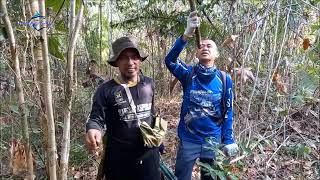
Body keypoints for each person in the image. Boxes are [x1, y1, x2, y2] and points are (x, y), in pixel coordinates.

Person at [165, 11, 239, 180]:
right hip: (188, 139)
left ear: (217, 54)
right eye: (201, 46)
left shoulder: (225, 79)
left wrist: (228, 140)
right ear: (197, 55)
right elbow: (169, 61)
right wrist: (186, 35)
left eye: (209, 46)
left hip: (212, 141)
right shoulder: (188, 74)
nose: (204, 47)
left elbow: (228, 112)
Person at [85, 36, 160, 180]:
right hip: (119, 161)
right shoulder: (105, 90)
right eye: (124, 58)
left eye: (134, 57)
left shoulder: (150, 84)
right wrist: (93, 128)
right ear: (117, 62)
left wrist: (157, 142)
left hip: (149, 157)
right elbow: (96, 117)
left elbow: (152, 113)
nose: (130, 62)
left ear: (140, 60)